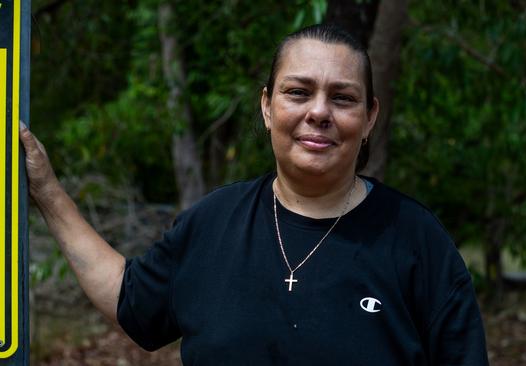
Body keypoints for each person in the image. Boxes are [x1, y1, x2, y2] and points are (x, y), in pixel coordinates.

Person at [20, 24, 489, 365]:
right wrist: (46, 191)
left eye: (343, 98)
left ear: (369, 118)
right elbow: (130, 299)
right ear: (267, 106)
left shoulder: (415, 240)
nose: (319, 113)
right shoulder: (213, 221)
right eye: (298, 92)